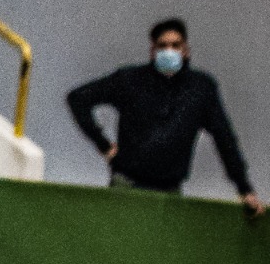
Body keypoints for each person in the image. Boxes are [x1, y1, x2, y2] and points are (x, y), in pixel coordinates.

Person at [68, 18, 261, 217]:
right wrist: (104, 145)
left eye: (175, 45)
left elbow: (224, 138)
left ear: (186, 50)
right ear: (153, 50)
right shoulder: (130, 80)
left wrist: (244, 189)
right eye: (163, 46)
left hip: (170, 191)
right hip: (127, 184)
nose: (169, 51)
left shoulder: (200, 89)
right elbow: (78, 99)